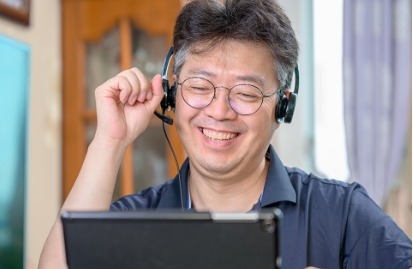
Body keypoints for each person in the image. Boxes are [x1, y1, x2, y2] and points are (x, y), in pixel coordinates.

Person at [39, 0, 412, 268]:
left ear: (282, 108)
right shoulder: (135, 220)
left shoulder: (342, 214)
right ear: (172, 93)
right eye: (200, 87)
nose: (219, 111)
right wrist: (109, 140)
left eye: (247, 94)